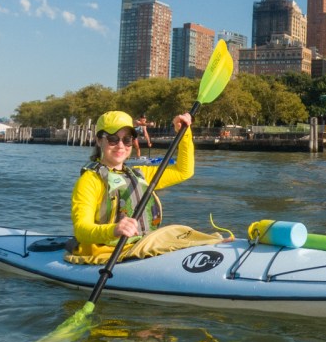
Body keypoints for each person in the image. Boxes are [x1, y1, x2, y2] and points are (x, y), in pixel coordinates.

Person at [69, 110, 224, 263]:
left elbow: (184, 171)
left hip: (142, 244)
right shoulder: (90, 180)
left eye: (127, 139)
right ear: (98, 140)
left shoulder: (140, 174)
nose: (121, 145)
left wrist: (184, 133)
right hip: (107, 254)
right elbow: (81, 230)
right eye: (112, 139)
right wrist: (114, 230)